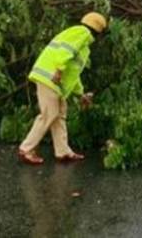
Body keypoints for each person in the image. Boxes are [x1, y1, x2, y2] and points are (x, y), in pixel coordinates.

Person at [17, 12, 108, 165]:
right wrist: (59, 69)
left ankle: (63, 151)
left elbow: (73, 73)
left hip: (54, 80)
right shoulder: (82, 32)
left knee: (59, 115)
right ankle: (26, 149)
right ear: (98, 30)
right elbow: (66, 51)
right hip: (50, 77)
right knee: (49, 113)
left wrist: (81, 94)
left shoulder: (82, 42)